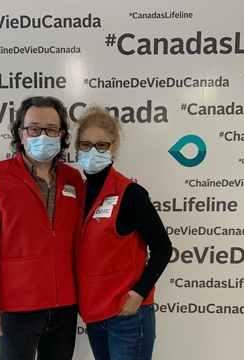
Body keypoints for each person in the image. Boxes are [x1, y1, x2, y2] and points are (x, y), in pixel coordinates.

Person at [0, 96, 82, 360]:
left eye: (51, 129)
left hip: (65, 306)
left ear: (61, 134)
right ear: (21, 133)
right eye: (34, 128)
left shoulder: (73, 178)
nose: (43, 135)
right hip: (18, 306)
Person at [75, 106, 172, 360]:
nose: (93, 151)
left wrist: (138, 293)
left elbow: (163, 248)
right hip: (96, 316)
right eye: (85, 144)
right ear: (76, 147)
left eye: (102, 145)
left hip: (128, 317)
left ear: (114, 148)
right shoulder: (78, 194)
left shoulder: (130, 194)